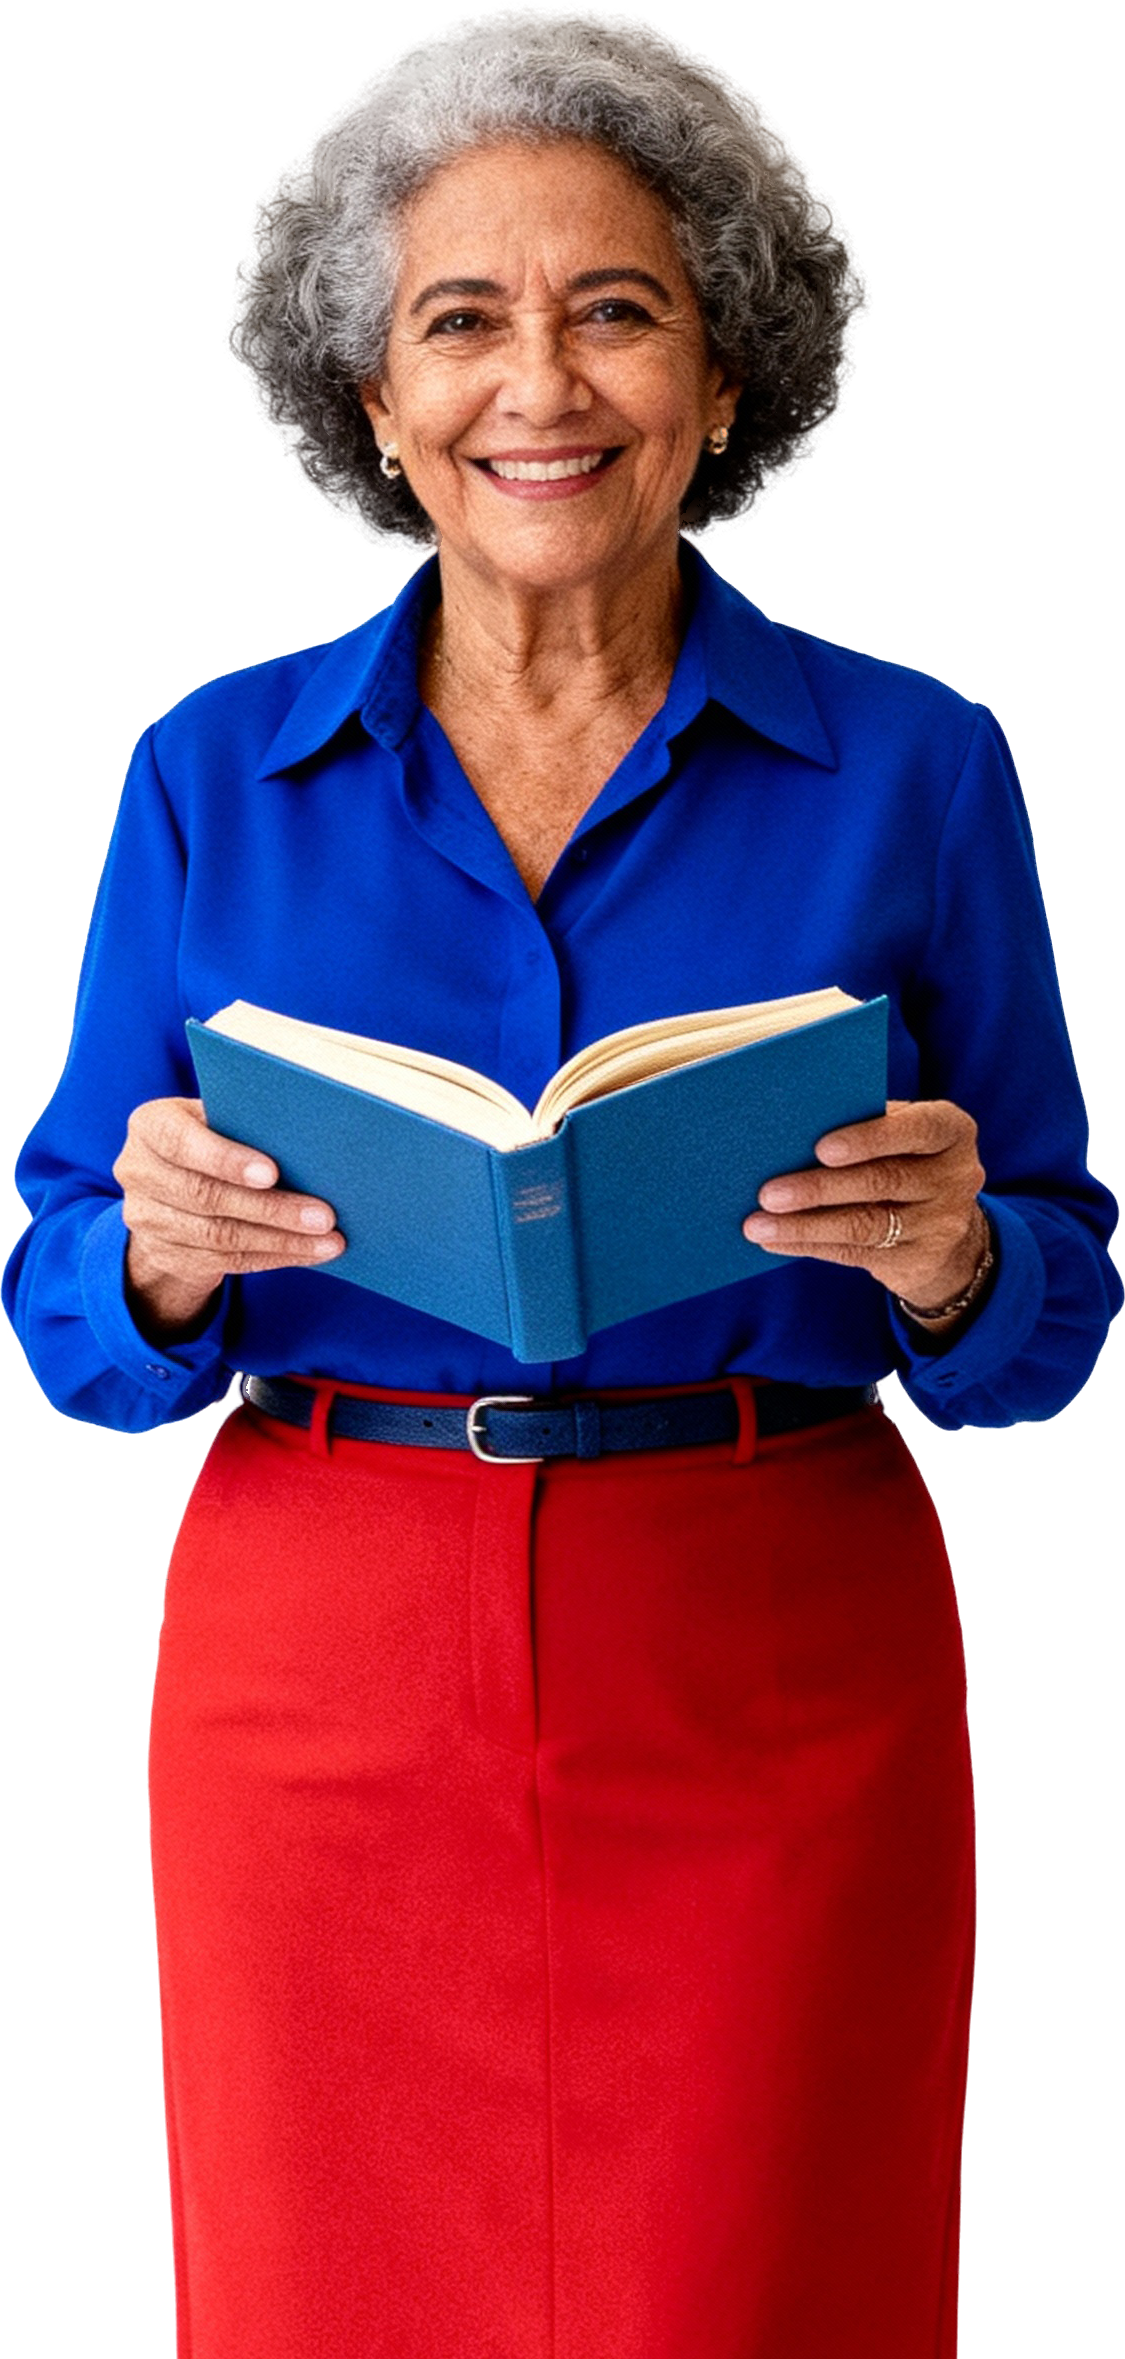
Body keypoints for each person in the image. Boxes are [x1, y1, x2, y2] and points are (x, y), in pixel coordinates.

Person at [3, 23, 1119, 2359]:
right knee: (326, 2297)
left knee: (781, 2285)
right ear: (386, 409)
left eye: (616, 308)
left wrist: (960, 1262)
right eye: (464, 320)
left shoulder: (904, 771)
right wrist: (158, 1259)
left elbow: (1067, 1283)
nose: (546, 382)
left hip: (775, 1667)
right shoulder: (211, 773)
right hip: (322, 1678)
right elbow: (56, 1293)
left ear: (718, 383)